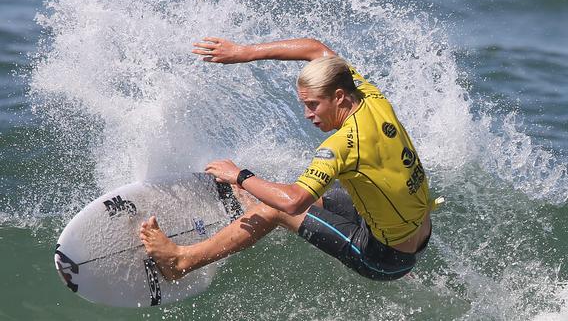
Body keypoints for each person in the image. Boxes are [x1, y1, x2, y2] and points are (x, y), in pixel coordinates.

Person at [139, 37, 442, 281]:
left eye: (313, 105)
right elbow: (316, 49)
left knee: (277, 208)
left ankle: (181, 261)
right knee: (296, 192)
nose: (308, 115)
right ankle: (248, 208)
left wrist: (239, 175)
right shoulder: (370, 95)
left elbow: (293, 202)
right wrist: (243, 52)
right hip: (414, 233)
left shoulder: (343, 145)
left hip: (384, 259)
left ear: (338, 97)